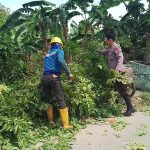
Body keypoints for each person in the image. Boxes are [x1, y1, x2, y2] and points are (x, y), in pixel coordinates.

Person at [97, 34, 135, 116]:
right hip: (114, 73)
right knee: (116, 89)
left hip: (119, 73)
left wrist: (117, 69)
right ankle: (119, 106)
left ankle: (130, 108)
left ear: (110, 40)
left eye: (106, 40)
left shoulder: (116, 47)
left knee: (123, 91)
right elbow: (106, 51)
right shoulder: (111, 48)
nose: (105, 41)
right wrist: (99, 51)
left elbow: (121, 58)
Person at [40, 37, 74, 129]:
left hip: (44, 78)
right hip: (54, 78)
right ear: (59, 45)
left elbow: (45, 68)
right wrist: (69, 73)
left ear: (51, 45)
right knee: (60, 100)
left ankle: (51, 122)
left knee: (48, 100)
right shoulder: (59, 51)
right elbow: (61, 61)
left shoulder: (47, 55)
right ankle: (66, 125)